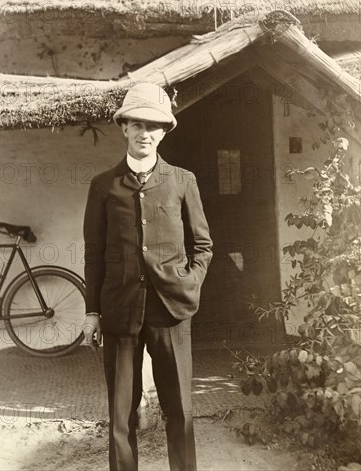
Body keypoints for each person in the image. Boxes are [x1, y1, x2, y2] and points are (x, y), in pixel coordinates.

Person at [82, 82, 213, 471]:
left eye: (153, 126)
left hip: (171, 311)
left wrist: (189, 282)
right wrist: (92, 312)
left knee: (180, 411)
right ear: (124, 127)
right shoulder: (103, 185)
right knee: (121, 415)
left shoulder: (182, 181)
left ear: (164, 131)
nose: (144, 133)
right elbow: (94, 254)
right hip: (120, 312)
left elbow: (203, 245)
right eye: (137, 124)